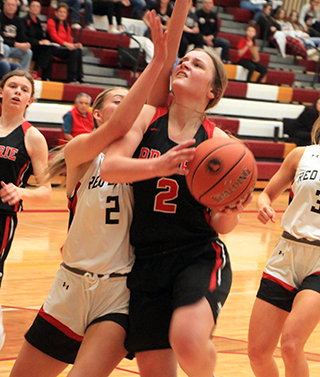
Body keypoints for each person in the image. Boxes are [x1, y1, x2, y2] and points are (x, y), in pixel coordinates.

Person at [9, 11, 192, 377]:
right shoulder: (80, 152)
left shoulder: (143, 157)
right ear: (96, 114)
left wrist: (179, 14)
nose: (129, 106)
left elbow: (157, 100)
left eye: (131, 100)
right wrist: (156, 60)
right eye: (117, 100)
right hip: (69, 285)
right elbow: (125, 120)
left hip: (119, 292)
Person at [100, 0, 252, 375]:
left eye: (197, 64)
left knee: (187, 338)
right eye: (183, 61)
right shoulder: (150, 117)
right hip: (147, 260)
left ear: (212, 91)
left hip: (197, 254)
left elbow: (221, 224)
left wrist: (229, 211)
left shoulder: (221, 144)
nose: (184, 64)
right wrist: (159, 164)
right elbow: (112, 168)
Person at [248, 117, 320, 377]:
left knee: (290, 345)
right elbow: (266, 194)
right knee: (258, 353)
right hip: (286, 251)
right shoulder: (301, 155)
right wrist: (263, 205)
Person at [0, 69, 52, 350]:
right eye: (12, 86)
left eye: (23, 89)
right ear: (1, 91)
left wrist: (20, 191)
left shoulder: (33, 138)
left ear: (30, 100)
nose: (17, 92)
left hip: (1, 217)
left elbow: (46, 191)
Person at [46, 2, 83, 83]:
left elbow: (69, 40)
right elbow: (54, 36)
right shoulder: (51, 22)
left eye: (64, 12)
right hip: (53, 47)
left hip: (63, 48)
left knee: (77, 50)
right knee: (73, 51)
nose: (62, 14)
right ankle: (71, 78)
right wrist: (66, 44)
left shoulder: (67, 25)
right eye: (60, 12)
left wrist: (75, 45)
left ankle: (79, 76)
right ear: (56, 13)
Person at [21, 0, 54, 81]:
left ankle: (45, 76)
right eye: (33, 6)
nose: (35, 8)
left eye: (38, 7)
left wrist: (44, 40)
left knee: (49, 49)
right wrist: (38, 42)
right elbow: (23, 37)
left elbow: (40, 36)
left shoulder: (38, 21)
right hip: (27, 45)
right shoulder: (23, 20)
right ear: (29, 8)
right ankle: (34, 71)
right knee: (44, 50)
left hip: (36, 45)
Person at [0, 0, 33, 71]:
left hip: (12, 47)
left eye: (13, 5)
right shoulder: (1, 17)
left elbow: (22, 37)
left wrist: (26, 44)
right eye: (9, 5)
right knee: (5, 48)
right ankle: (4, 72)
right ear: (4, 6)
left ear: (16, 8)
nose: (10, 7)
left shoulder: (18, 20)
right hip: (2, 46)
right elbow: (2, 38)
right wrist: (17, 44)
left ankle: (23, 75)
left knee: (28, 52)